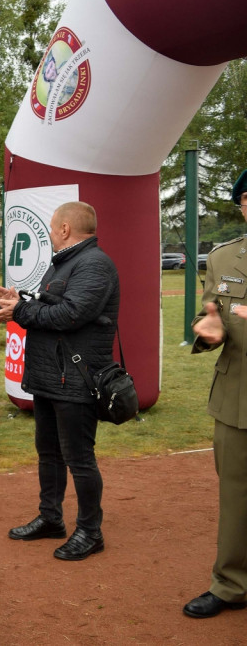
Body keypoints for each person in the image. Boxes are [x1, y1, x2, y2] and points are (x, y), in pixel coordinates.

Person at [0, 201, 118, 561]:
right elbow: (52, 303)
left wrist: (20, 310)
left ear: (64, 229)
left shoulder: (94, 264)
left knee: (79, 458)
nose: (49, 233)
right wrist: (20, 300)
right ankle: (51, 518)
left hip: (76, 377)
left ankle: (90, 532)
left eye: (51, 227)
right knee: (49, 452)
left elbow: (70, 314)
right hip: (50, 374)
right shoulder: (67, 261)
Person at [183, 168, 247, 619]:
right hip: (236, 394)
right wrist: (208, 330)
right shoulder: (223, 258)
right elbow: (212, 314)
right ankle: (231, 584)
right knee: (236, 495)